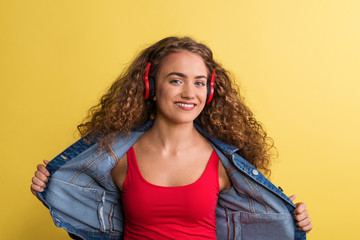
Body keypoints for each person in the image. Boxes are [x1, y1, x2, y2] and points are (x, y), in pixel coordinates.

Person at [31, 36, 312, 240]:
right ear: (151, 87)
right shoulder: (116, 158)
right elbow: (85, 214)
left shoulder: (225, 164)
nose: (190, 93)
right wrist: (52, 187)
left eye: (199, 82)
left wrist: (292, 219)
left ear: (209, 92)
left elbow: (265, 224)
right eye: (176, 80)